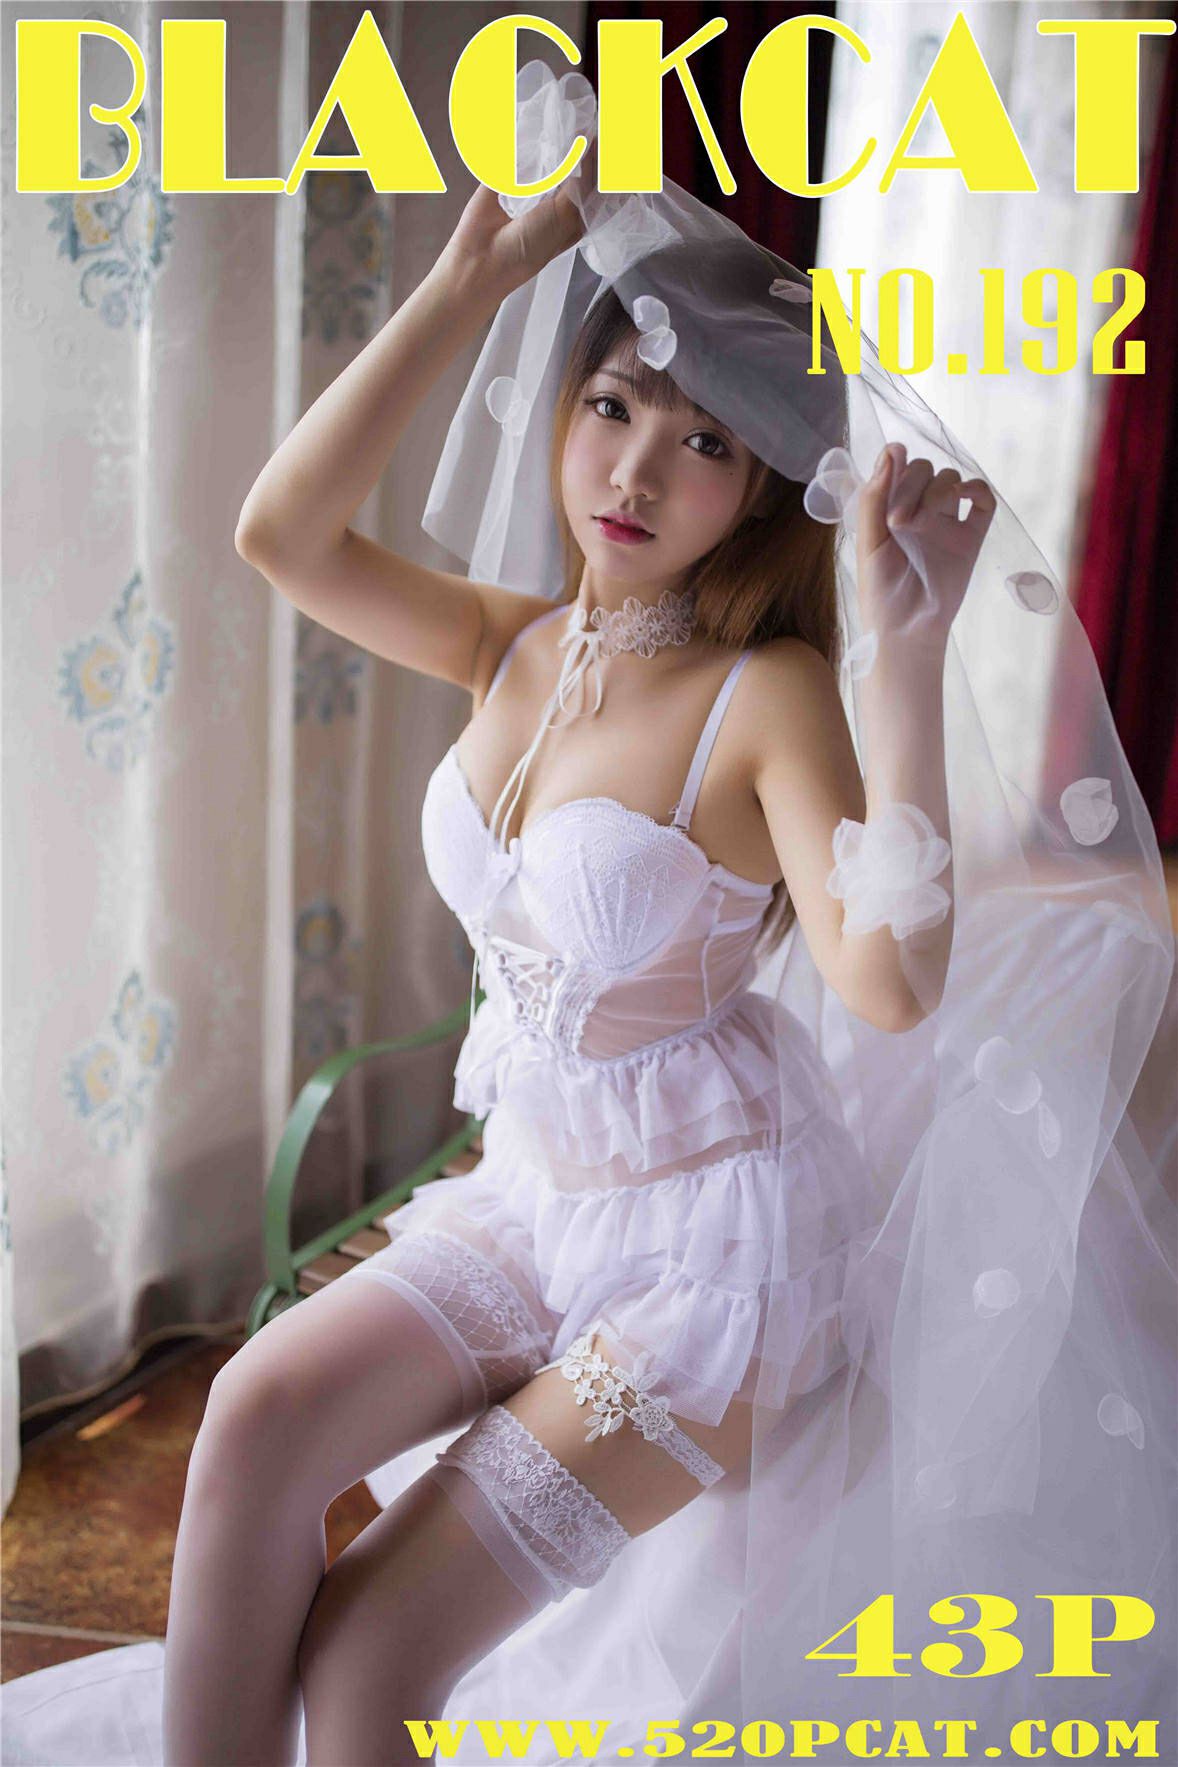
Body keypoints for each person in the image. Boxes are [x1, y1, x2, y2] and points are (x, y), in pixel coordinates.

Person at [3, 62, 1174, 1767]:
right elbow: (279, 532)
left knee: (372, 1654)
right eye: (615, 405)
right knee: (251, 1417)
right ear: (563, 407)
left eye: (706, 443)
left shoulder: (766, 693)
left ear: (761, 488)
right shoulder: (518, 644)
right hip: (540, 1199)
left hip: (720, 1261)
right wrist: (468, 278)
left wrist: (906, 661)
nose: (637, 469)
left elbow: (888, 982)